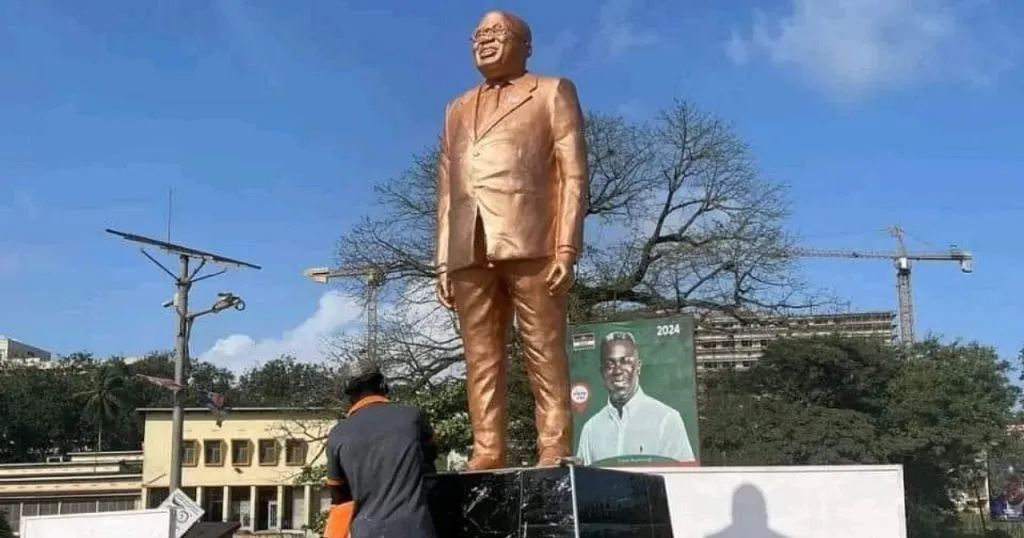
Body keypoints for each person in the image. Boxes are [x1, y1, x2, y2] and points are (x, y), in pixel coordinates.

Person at [433, 9, 589, 470]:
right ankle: (487, 450)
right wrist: (442, 260)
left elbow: (573, 173)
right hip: (468, 247)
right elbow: (445, 190)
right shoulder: (456, 108)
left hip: (531, 239)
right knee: (479, 358)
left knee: (543, 347)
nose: (484, 40)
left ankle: (554, 445)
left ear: (525, 44)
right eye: (478, 35)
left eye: (497, 33)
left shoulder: (552, 91)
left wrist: (566, 246)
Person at [322, 362, 438, 538]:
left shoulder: (337, 434)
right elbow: (431, 457)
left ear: (349, 397)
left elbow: (340, 498)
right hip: (416, 530)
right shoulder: (412, 416)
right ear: (383, 385)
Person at [576, 331, 696, 465]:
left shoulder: (667, 420)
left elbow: (683, 477)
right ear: (602, 372)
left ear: (638, 367)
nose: (618, 371)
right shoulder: (591, 429)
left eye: (625, 362)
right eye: (610, 364)